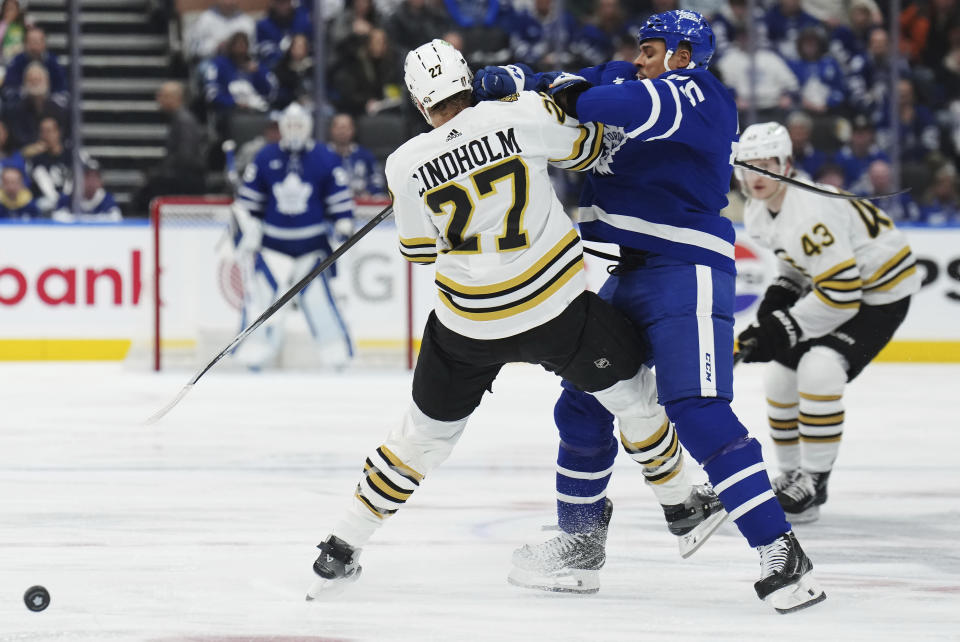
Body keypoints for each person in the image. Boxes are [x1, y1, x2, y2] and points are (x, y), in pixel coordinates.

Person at [306, 39, 719, 600]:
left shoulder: (403, 164)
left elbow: (419, 253)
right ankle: (680, 505)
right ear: (468, 78)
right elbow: (592, 145)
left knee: (422, 437)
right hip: (554, 311)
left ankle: (341, 546)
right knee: (631, 395)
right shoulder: (519, 114)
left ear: (418, 101)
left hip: (467, 326)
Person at [473, 9, 825, 613]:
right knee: (583, 401)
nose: (640, 57)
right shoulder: (635, 79)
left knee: (697, 411)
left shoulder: (698, 93)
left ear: (683, 53)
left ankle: (782, 555)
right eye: (639, 49)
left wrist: (566, 89)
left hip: (684, 271)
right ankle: (579, 547)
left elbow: (599, 104)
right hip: (628, 275)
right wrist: (519, 79)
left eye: (652, 48)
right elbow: (577, 86)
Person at [735, 122, 920, 523]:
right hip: (844, 285)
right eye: (750, 166)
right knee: (780, 377)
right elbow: (799, 259)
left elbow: (842, 295)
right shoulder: (758, 209)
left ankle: (814, 481)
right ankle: (790, 477)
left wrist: (783, 326)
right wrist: (782, 294)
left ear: (786, 165)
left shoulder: (809, 211)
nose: (758, 175)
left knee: (819, 368)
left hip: (882, 294)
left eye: (767, 165)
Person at [232, 103, 355, 370]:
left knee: (320, 301)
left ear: (309, 127)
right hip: (272, 245)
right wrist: (248, 228)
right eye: (290, 125)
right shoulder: (265, 157)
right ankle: (254, 352)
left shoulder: (325, 157)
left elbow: (338, 199)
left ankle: (336, 354)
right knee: (263, 301)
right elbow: (248, 204)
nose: (295, 130)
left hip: (312, 247)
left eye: (300, 125)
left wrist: (343, 223)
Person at [134, 81, 208, 214]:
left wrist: (161, 173)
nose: (159, 99)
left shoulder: (184, 121)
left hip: (188, 180)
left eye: (163, 95)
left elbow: (186, 157)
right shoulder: (179, 119)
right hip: (182, 175)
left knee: (145, 192)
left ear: (175, 98)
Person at [326, 113, 386, 198]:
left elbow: (377, 180)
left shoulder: (365, 155)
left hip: (363, 204)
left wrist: (371, 193)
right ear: (331, 130)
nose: (342, 131)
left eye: (346, 128)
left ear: (353, 130)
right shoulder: (322, 156)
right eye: (338, 127)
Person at [52, 158, 122, 222]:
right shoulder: (68, 197)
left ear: (101, 182)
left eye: (95, 177)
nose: (91, 181)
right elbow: (56, 217)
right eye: (87, 176)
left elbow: (116, 217)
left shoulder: (106, 198)